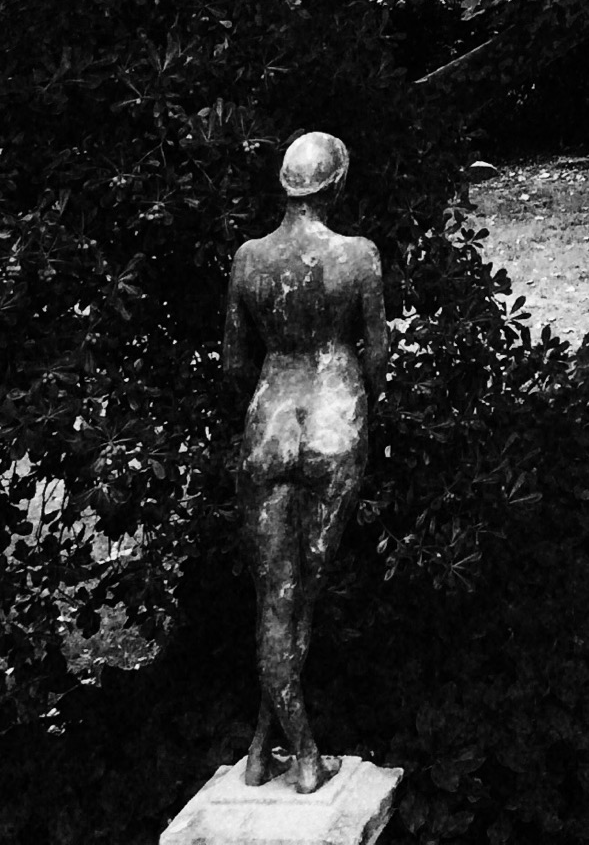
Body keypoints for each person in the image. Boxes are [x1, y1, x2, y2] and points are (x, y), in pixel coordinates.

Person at [223, 131, 389, 794]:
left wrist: (267, 396)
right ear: (336, 185)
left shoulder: (249, 259)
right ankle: (305, 754)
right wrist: (359, 404)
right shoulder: (358, 256)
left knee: (279, 598)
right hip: (335, 424)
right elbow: (376, 357)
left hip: (269, 426)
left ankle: (262, 744)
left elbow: (235, 363)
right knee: (301, 598)